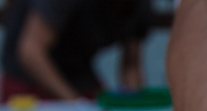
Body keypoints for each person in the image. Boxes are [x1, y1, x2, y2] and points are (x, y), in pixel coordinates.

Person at [1, 0, 152, 102]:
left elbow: (131, 65)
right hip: (28, 82)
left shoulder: (140, 6)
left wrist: (137, 109)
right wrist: (75, 104)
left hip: (80, 77)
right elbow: (30, 52)